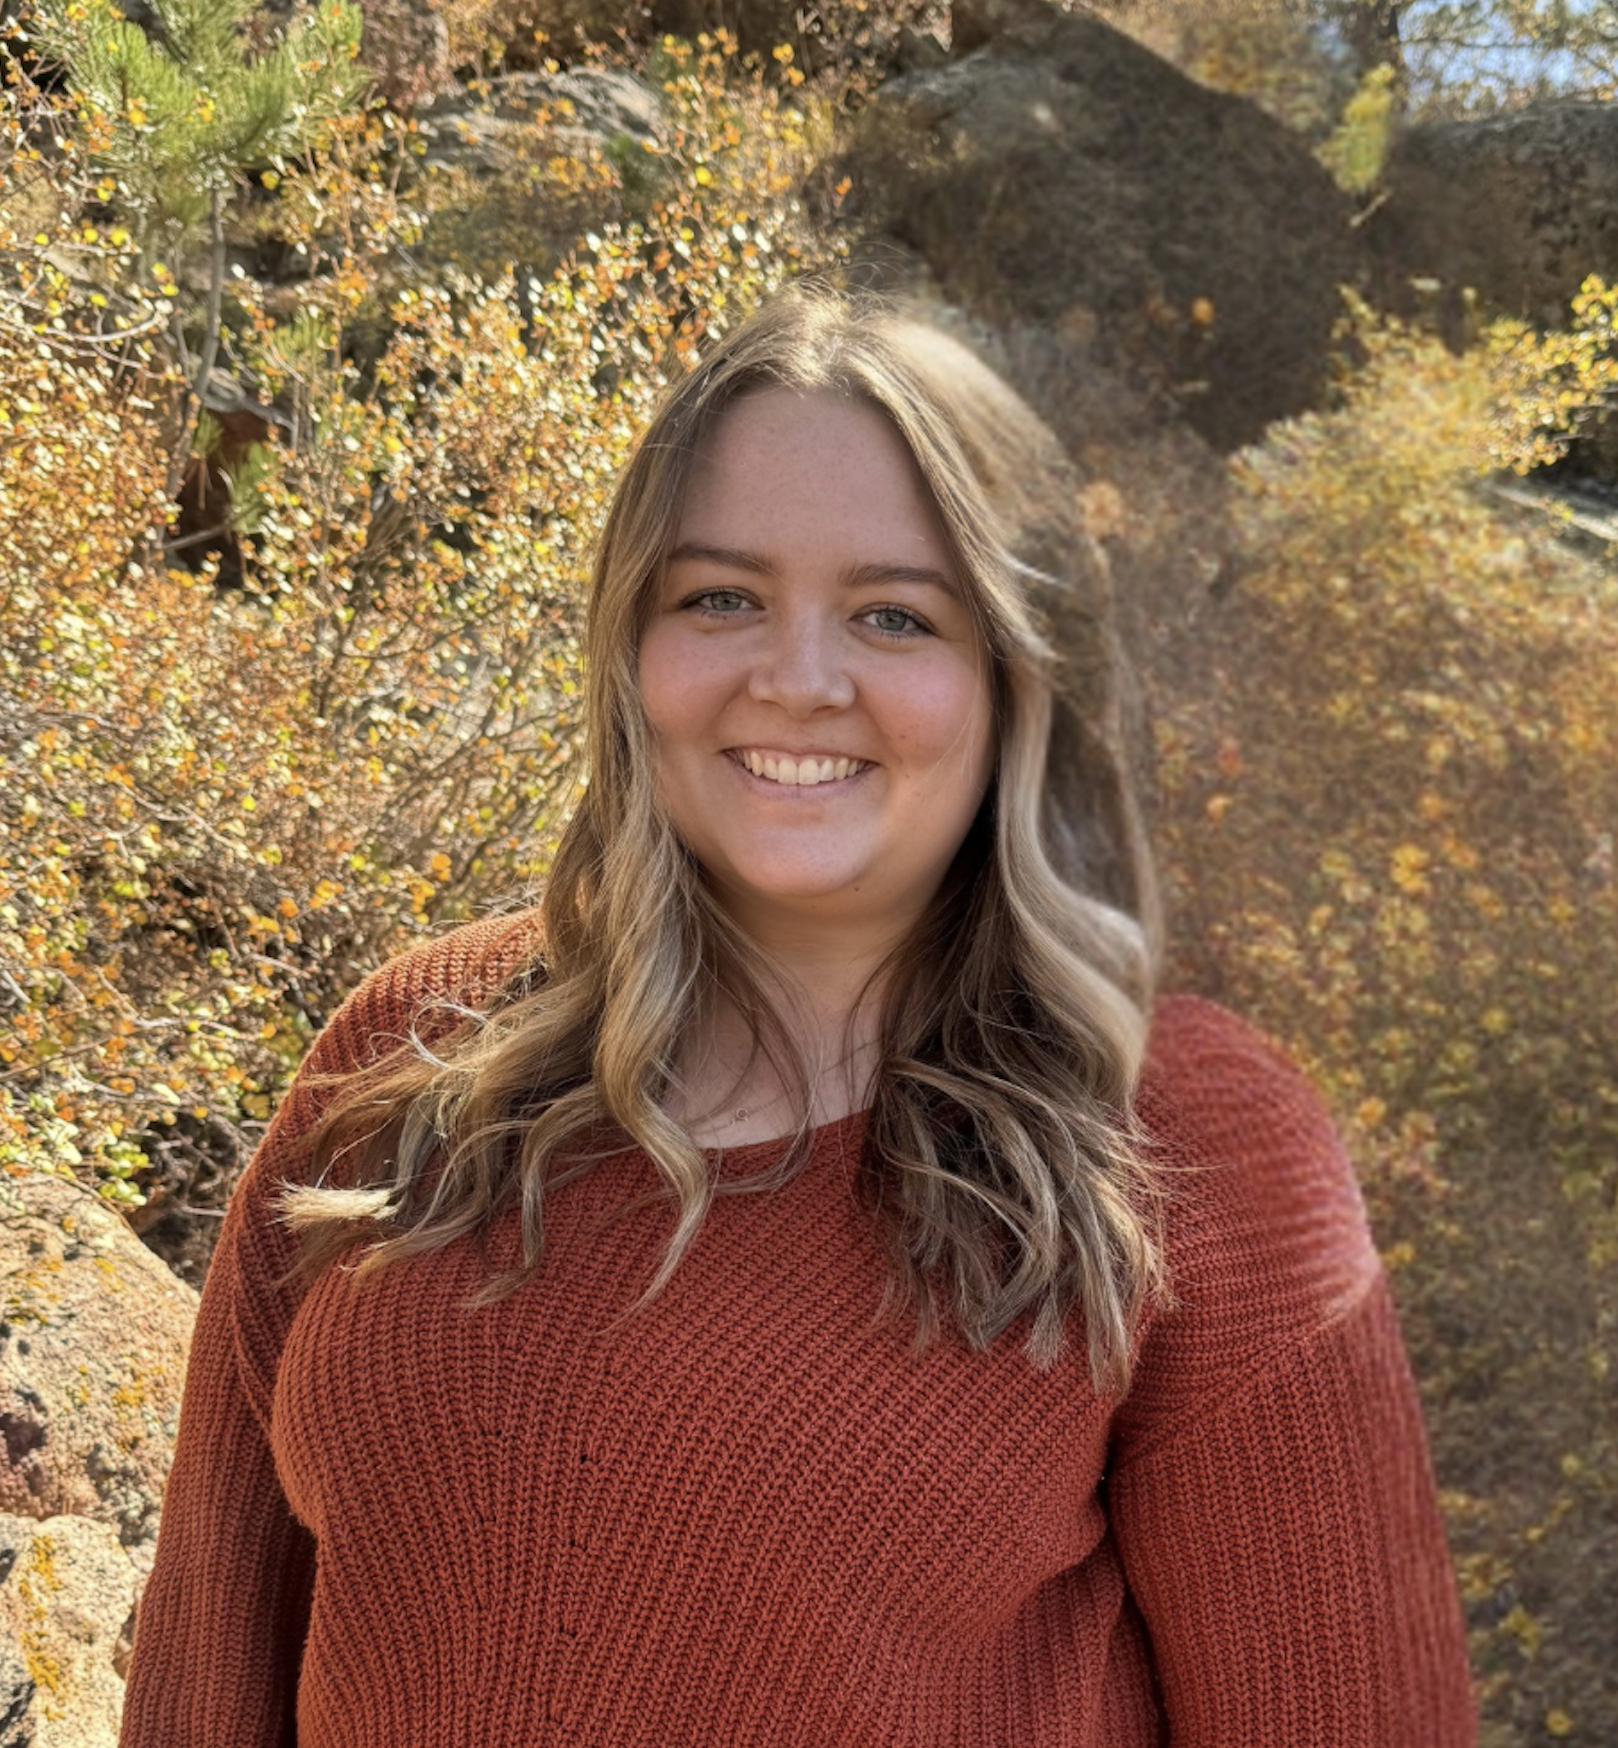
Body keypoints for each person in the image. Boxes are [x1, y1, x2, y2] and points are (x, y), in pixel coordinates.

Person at [118, 282, 1477, 1746]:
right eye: (721, 598)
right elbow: (206, 1663)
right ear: (631, 642)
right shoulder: (414, 1049)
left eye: (895, 616)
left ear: (1016, 677)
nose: (798, 679)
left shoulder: (1192, 1142)